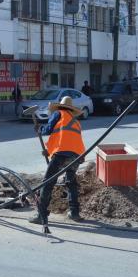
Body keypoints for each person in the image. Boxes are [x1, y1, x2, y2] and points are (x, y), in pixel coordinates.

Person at [30, 96, 86, 224]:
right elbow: (65, 138)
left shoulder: (58, 114)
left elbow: (48, 130)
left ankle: (41, 215)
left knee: (48, 182)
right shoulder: (75, 121)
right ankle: (74, 213)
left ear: (60, 106)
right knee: (71, 183)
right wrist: (48, 151)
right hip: (76, 156)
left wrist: (39, 129)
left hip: (62, 154)